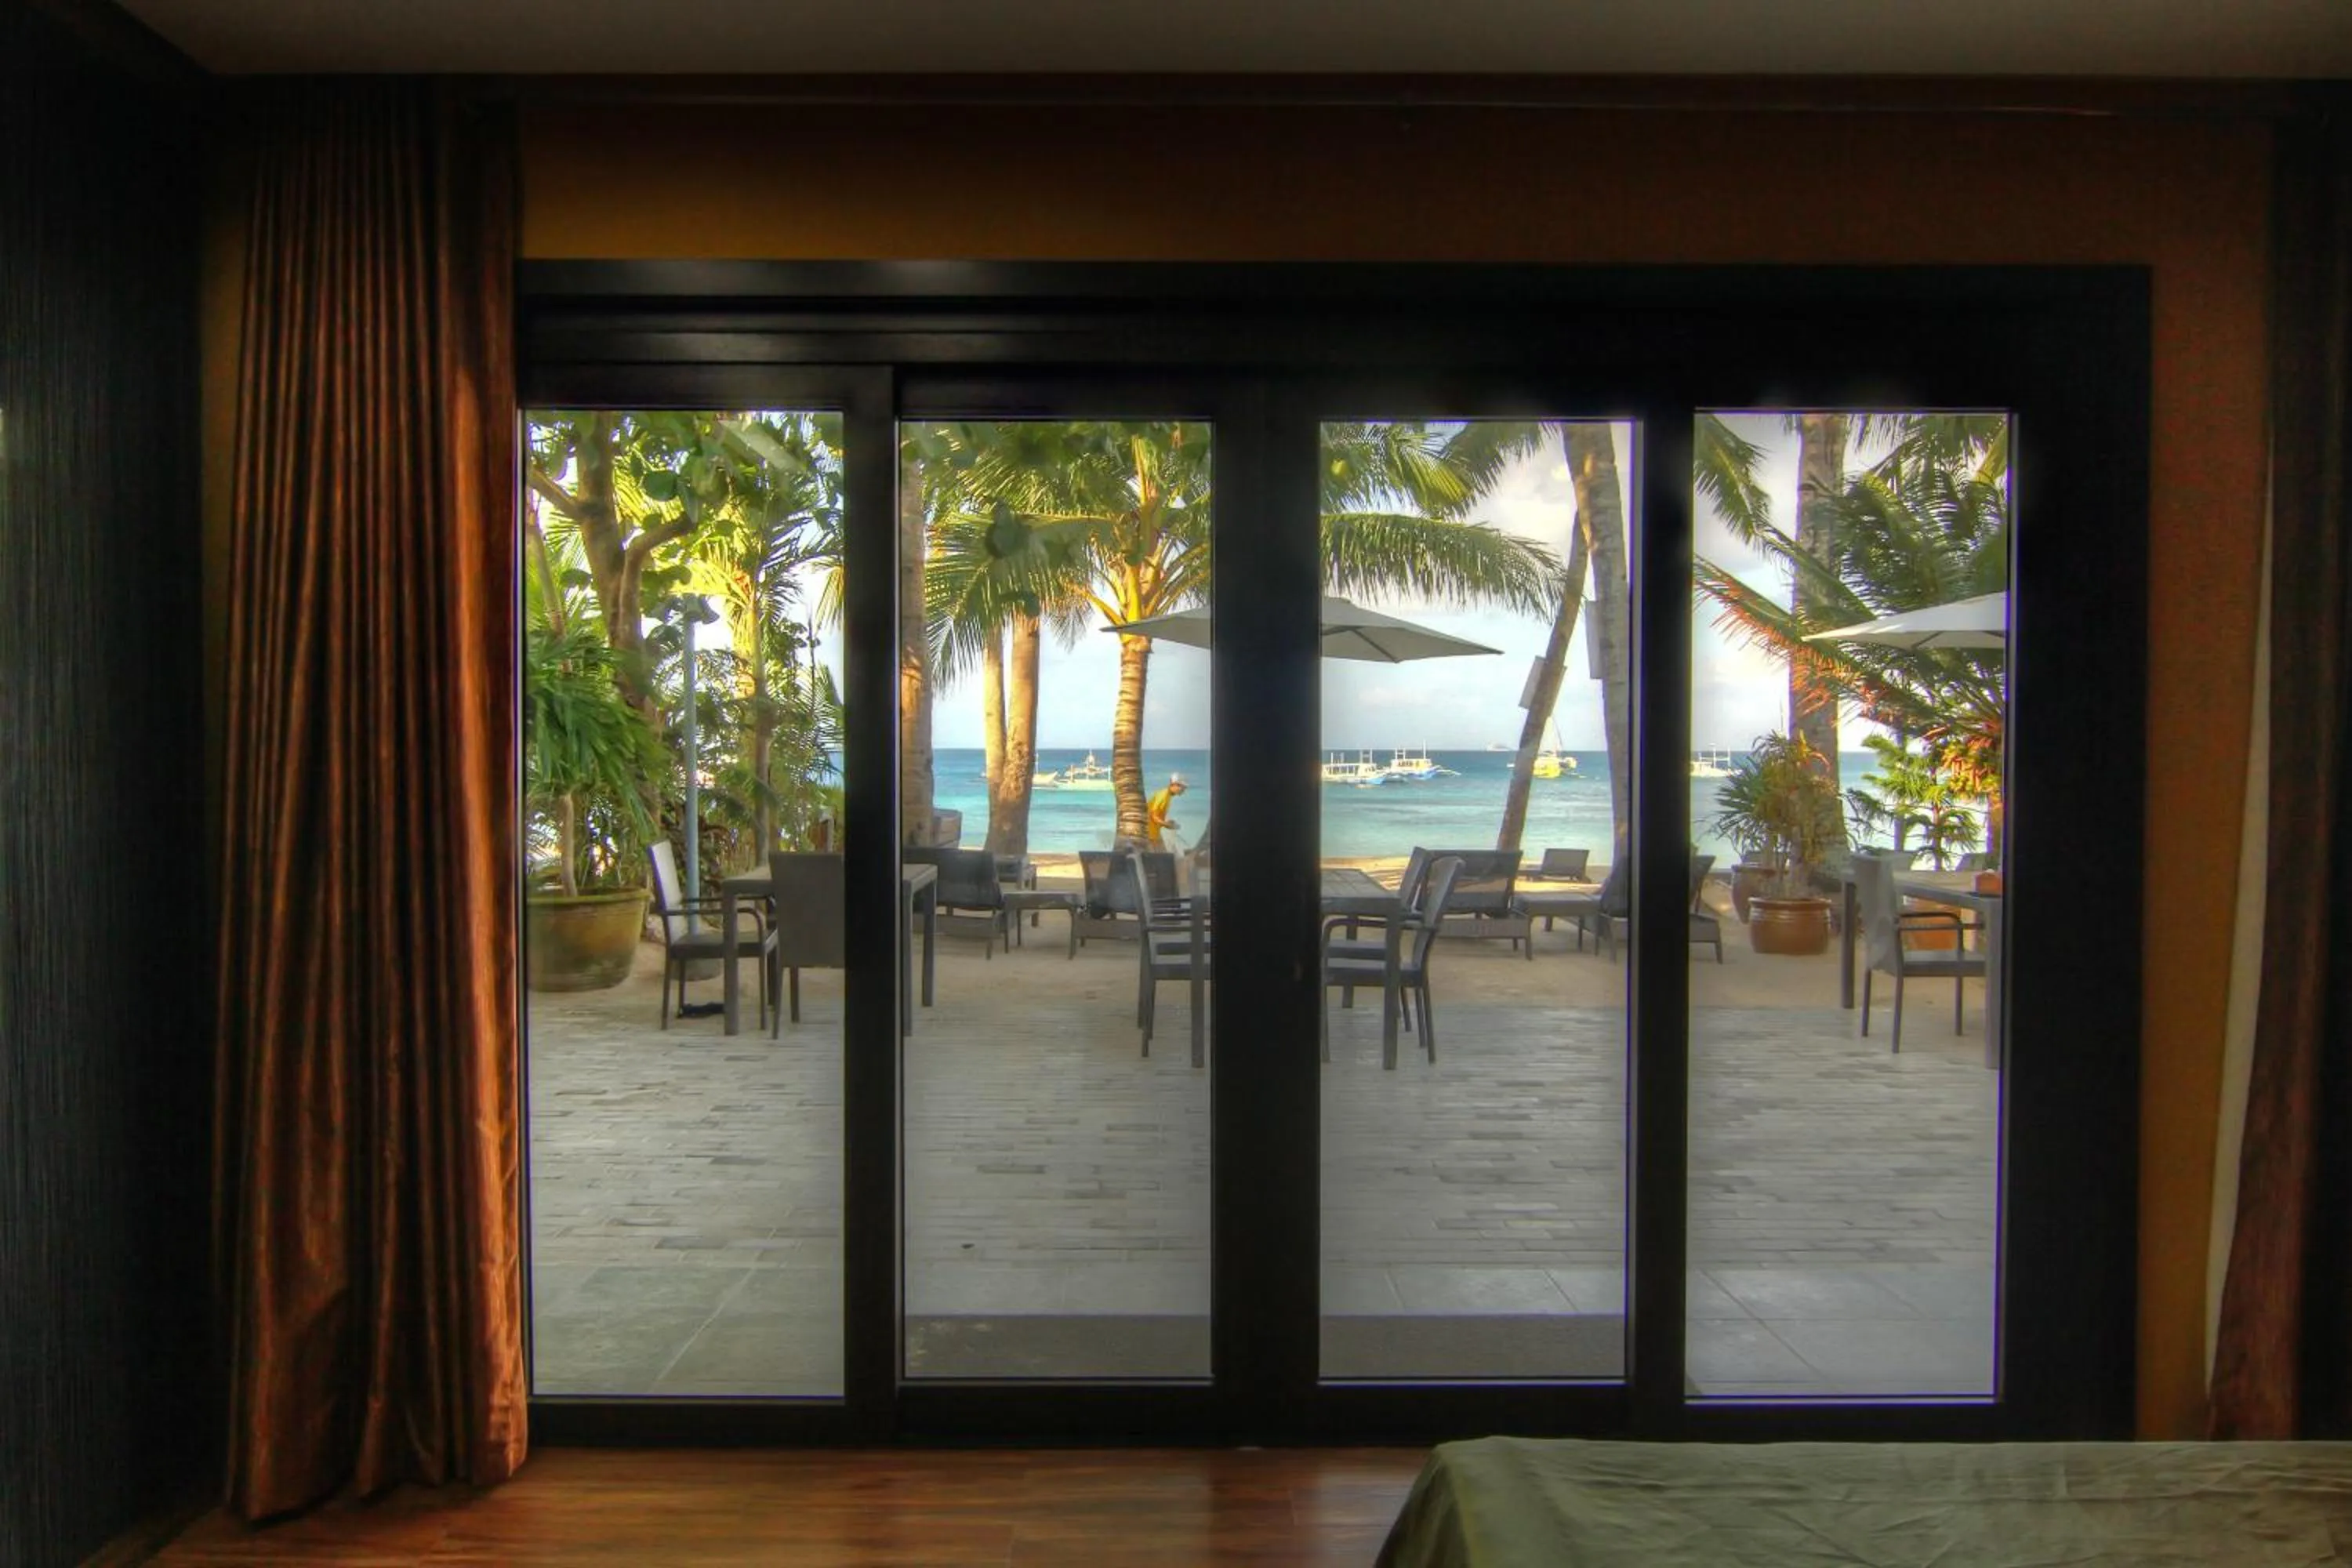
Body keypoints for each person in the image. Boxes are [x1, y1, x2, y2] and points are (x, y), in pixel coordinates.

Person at [1145, 774, 1188, 850]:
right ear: (1174, 785)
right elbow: (1153, 816)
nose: (1183, 790)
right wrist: (1167, 825)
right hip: (1150, 834)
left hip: (1154, 833)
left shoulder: (1167, 795)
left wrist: (1167, 823)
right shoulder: (1164, 795)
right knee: (1160, 858)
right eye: (1182, 787)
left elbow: (1156, 816)